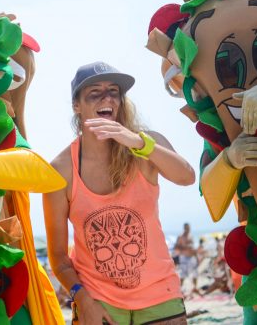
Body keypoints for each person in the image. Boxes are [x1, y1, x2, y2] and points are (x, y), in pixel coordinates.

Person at [43, 62, 196, 325]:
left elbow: (187, 176)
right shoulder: (60, 170)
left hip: (160, 296)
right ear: (76, 106)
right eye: (95, 93)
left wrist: (138, 142)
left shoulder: (147, 144)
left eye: (114, 91)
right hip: (98, 301)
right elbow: (58, 257)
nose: (107, 98)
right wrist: (82, 300)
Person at [174, 223, 199, 297]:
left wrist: (197, 257)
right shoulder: (180, 237)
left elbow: (193, 248)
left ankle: (195, 288)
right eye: (187, 228)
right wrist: (185, 247)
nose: (188, 229)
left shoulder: (191, 236)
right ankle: (180, 290)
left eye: (189, 228)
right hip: (184, 257)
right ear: (184, 228)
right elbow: (176, 247)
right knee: (183, 275)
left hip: (192, 257)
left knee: (195, 273)